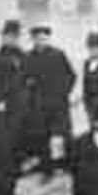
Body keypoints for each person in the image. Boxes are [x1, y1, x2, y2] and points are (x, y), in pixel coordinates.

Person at [22, 25, 76, 172]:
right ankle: (47, 166)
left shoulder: (58, 55)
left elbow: (71, 76)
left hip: (59, 102)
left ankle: (70, 164)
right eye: (38, 39)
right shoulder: (28, 58)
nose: (41, 41)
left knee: (65, 133)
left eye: (44, 39)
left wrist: (64, 93)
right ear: (33, 40)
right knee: (42, 135)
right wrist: (30, 94)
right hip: (39, 104)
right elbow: (22, 80)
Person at [0, 20, 29, 170]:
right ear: (3, 37)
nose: (11, 39)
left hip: (19, 105)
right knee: (0, 135)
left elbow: (27, 80)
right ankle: (1, 165)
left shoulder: (24, 57)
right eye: (8, 36)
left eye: (14, 37)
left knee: (18, 134)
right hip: (0, 104)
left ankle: (16, 164)